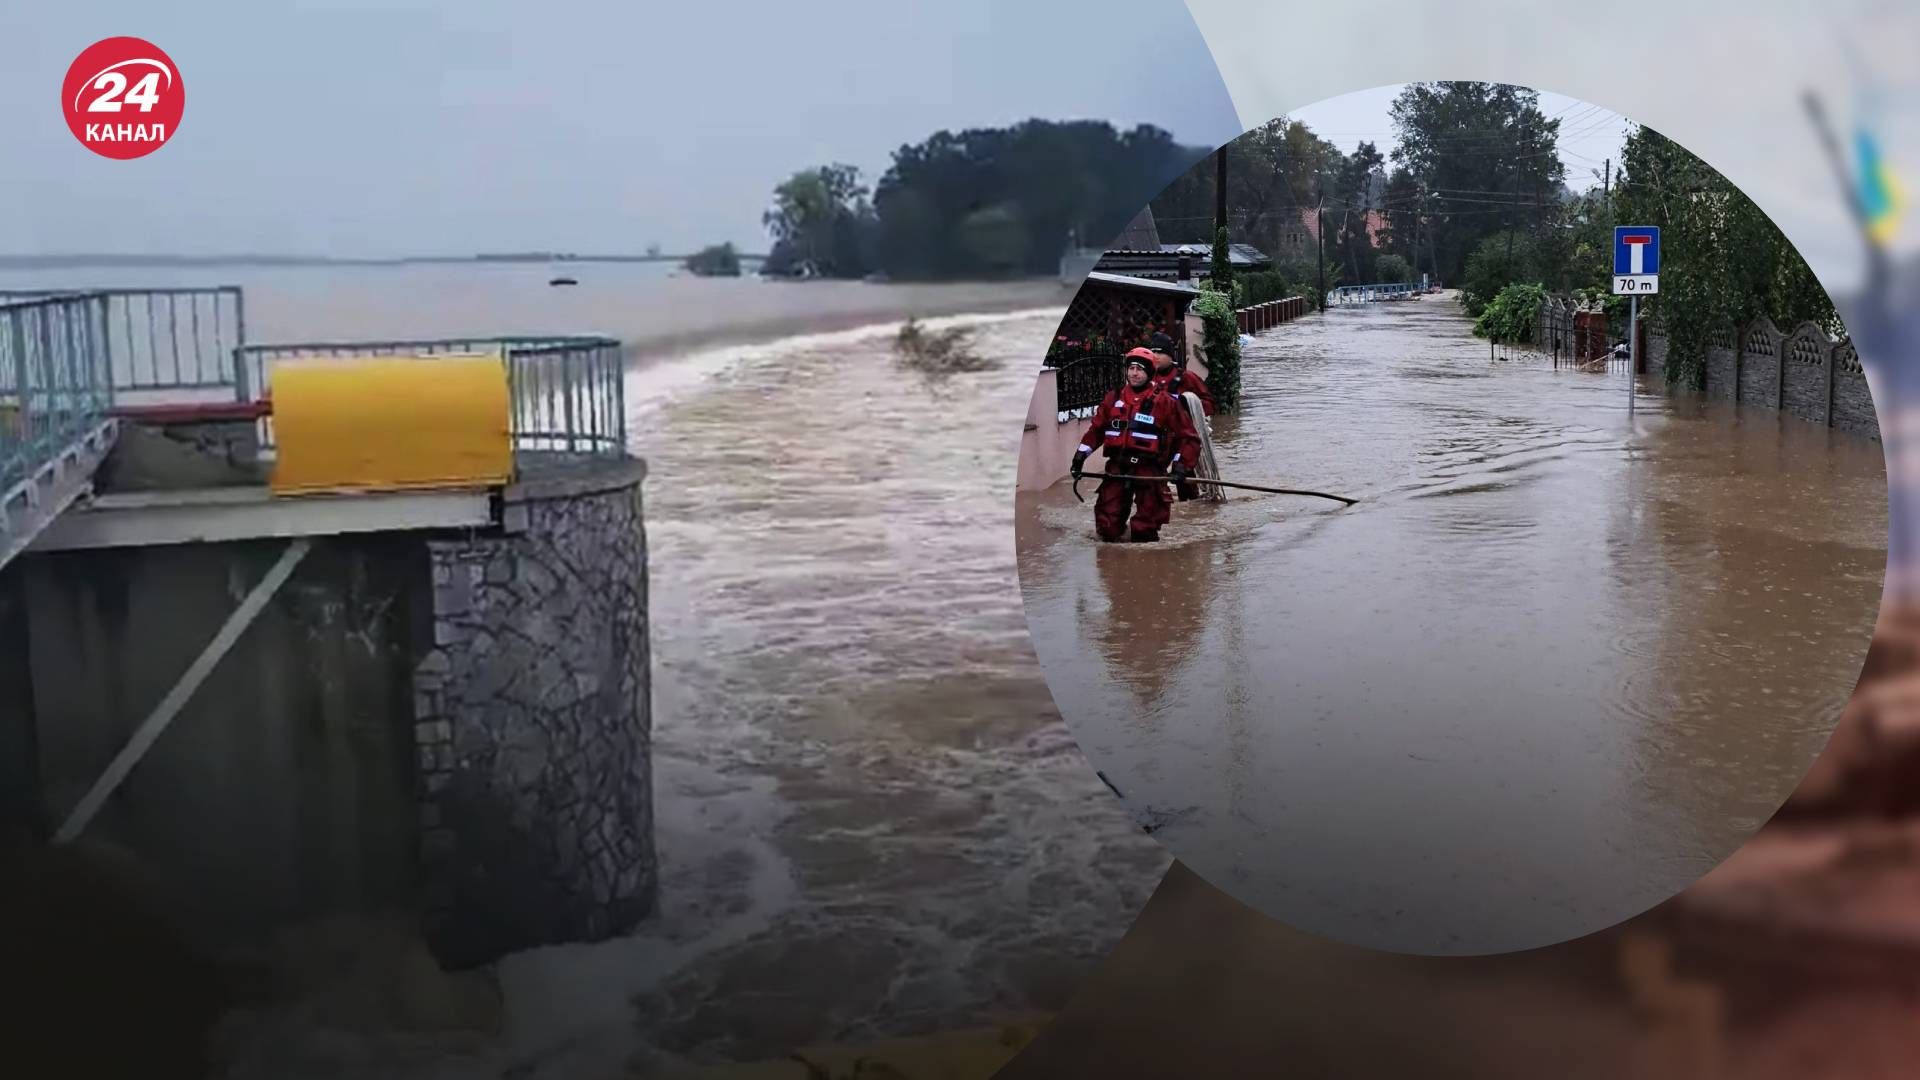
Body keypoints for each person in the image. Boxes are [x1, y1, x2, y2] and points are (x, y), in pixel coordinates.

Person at [1070, 349, 1199, 543]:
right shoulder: (1113, 399)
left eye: (1139, 369)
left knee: (1145, 531)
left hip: (1150, 470)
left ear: (1149, 373)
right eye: (1131, 368)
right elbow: (1096, 431)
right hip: (1117, 468)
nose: (1134, 373)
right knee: (1107, 529)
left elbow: (1189, 438)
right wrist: (1079, 457)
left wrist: (1181, 466)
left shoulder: (1165, 403)